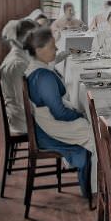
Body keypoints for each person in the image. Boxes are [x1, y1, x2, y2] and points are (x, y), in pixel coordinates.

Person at [23, 27, 95, 197]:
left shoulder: (35, 67)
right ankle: (97, 187)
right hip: (49, 129)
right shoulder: (43, 76)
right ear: (39, 50)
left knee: (90, 125)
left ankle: (91, 182)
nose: (56, 49)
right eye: (52, 47)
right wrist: (81, 115)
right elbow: (59, 113)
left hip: (44, 123)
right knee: (97, 134)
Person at [0, 18, 38, 135]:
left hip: (21, 114)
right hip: (23, 121)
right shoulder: (17, 64)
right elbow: (22, 101)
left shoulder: (19, 55)